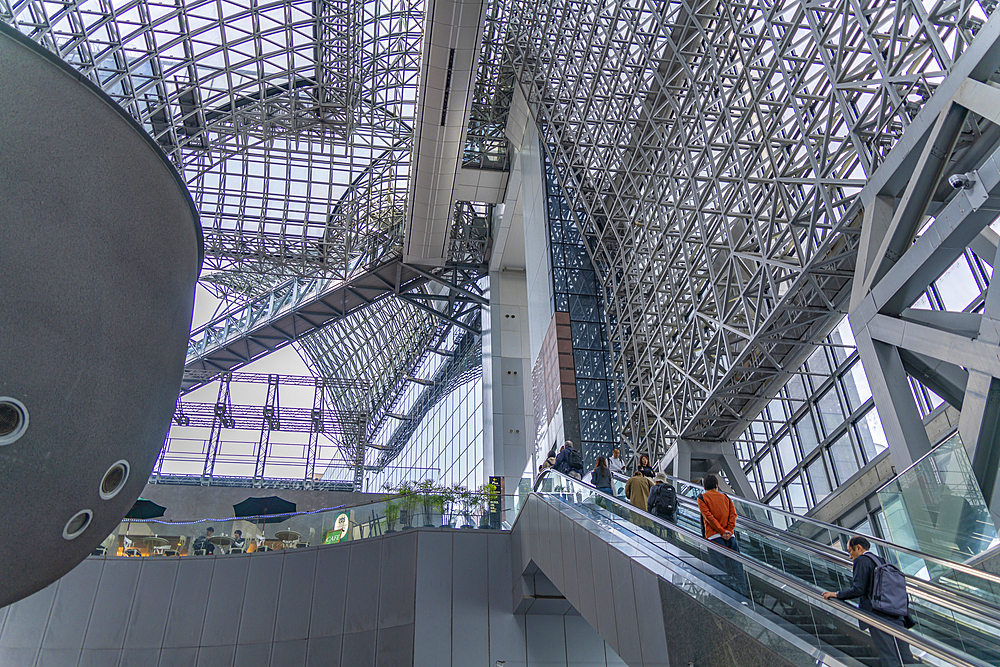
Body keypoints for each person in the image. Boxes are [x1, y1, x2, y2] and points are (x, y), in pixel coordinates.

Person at [823, 536, 914, 667]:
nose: (850, 556)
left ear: (858, 548)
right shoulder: (883, 561)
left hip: (877, 614)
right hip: (897, 613)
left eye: (850, 552)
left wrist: (836, 594)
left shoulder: (861, 561)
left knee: (888, 655)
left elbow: (859, 589)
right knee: (905, 654)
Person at [697, 475, 747, 597]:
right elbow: (733, 515)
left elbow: (708, 517)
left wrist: (720, 531)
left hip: (714, 537)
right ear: (716, 485)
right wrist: (728, 530)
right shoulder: (726, 497)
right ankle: (743, 595)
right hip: (731, 536)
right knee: (736, 566)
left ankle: (726, 597)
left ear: (704, 486)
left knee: (720, 568)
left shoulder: (702, 498)